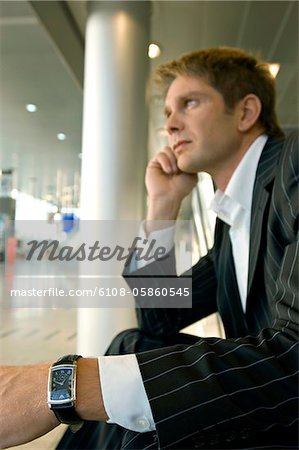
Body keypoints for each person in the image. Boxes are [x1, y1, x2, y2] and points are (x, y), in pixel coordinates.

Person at [0, 47, 298, 450]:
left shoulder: (292, 167)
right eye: (168, 113)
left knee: (147, 429)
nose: (171, 126)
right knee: (131, 345)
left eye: (189, 103)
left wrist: (76, 385)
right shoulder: (233, 220)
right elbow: (158, 319)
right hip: (271, 400)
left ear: (246, 113)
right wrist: (163, 205)